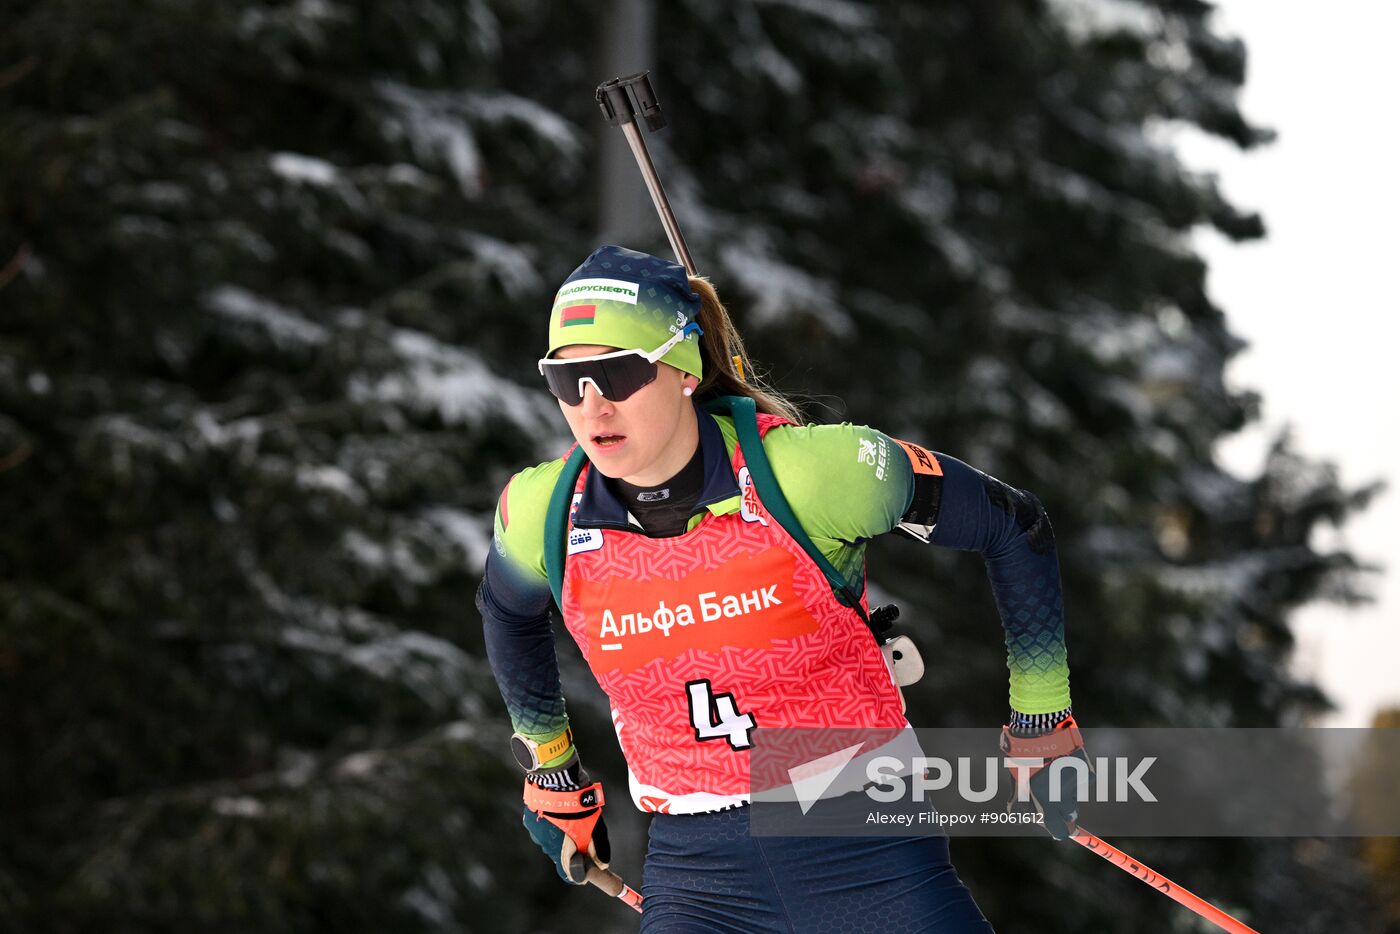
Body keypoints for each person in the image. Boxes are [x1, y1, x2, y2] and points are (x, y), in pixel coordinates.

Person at [478, 245, 1086, 932]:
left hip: (864, 837)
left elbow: (1015, 527)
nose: (592, 406)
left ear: (682, 368)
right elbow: (506, 612)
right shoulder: (543, 513)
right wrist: (551, 770)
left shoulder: (812, 474)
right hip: (698, 875)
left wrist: (1041, 719)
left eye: (618, 373)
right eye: (567, 380)